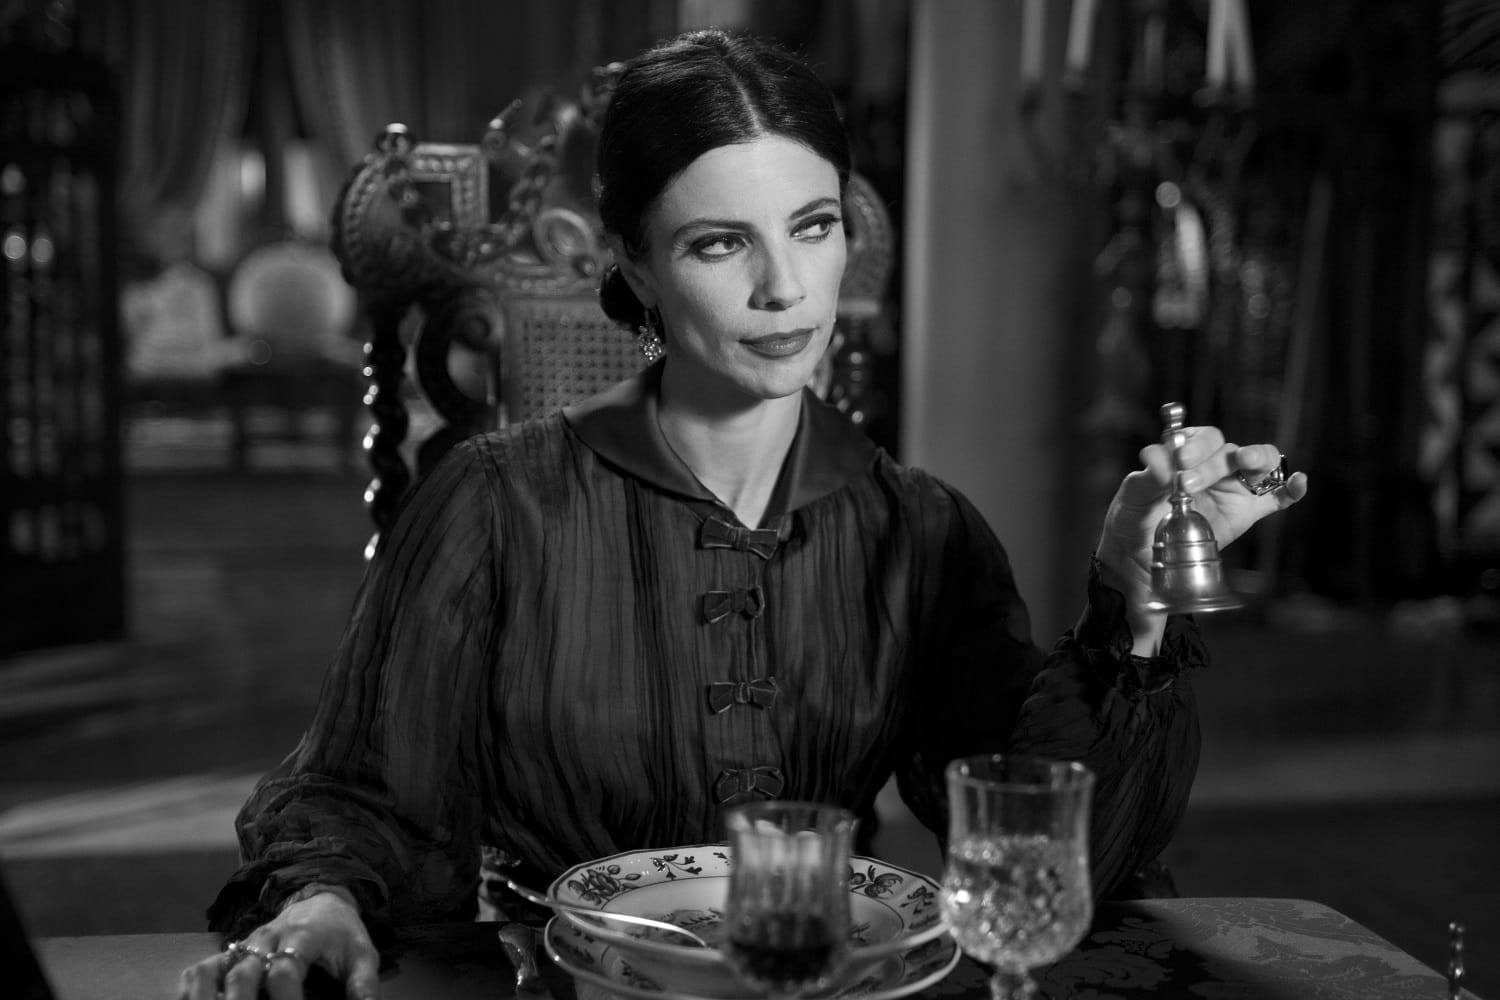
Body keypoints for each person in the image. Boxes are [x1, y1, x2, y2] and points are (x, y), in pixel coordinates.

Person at [178, 27, 1307, 1000]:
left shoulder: (921, 530)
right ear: (635, 265)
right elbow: (359, 792)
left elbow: (1039, 844)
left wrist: (1134, 604)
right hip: (558, 983)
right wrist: (322, 900)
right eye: (722, 243)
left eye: (812, 227)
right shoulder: (493, 504)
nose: (786, 290)